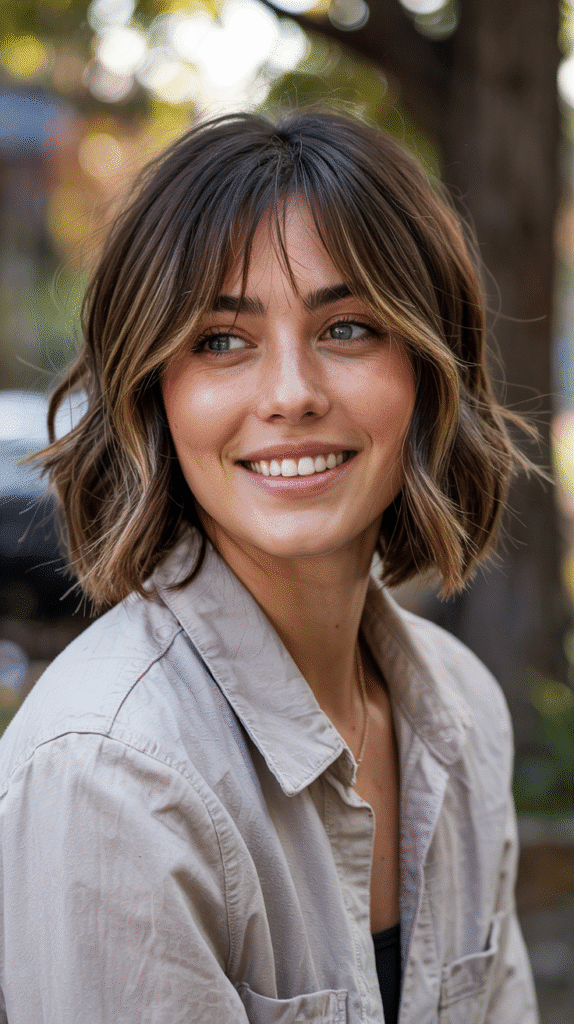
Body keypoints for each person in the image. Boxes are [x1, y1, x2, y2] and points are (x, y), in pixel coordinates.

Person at [0, 109, 539, 1024]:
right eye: (220, 340)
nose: (291, 392)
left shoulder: (461, 710)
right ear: (152, 392)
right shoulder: (112, 771)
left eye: (349, 327)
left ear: (427, 367)